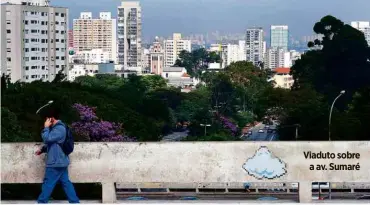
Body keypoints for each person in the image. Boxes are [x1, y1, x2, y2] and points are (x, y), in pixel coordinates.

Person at [35, 107, 79, 204]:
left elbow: (47, 139)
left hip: (55, 162)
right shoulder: (57, 128)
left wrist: (46, 127)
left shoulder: (60, 128)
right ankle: (75, 202)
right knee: (66, 183)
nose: (45, 121)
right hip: (60, 161)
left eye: (46, 119)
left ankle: (41, 202)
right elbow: (53, 143)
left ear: (51, 118)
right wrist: (42, 150)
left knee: (48, 183)